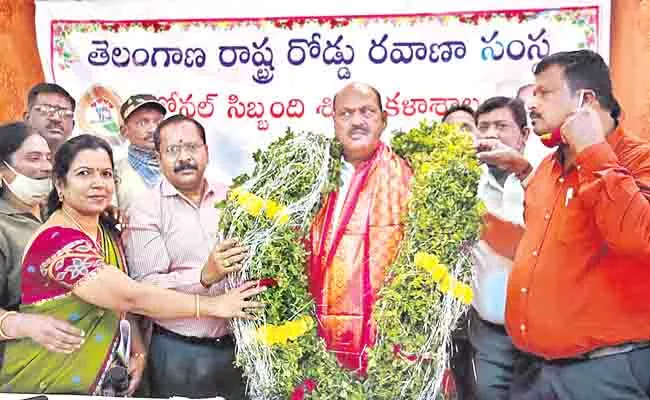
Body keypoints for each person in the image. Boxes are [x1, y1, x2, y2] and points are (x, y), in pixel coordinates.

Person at [0, 134, 264, 396]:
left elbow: (120, 308)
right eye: (84, 173)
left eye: (105, 174)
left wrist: (137, 349)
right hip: (46, 382)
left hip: (103, 384)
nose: (98, 183)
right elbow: (129, 296)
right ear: (60, 184)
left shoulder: (105, 231)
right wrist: (214, 305)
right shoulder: (56, 240)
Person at [506, 49, 650, 398]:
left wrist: (593, 151)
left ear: (585, 100)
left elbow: (638, 238)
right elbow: (539, 248)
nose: (532, 102)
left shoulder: (639, 159)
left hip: (605, 373)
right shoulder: (547, 167)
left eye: (544, 92)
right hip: (534, 371)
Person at [124, 114, 250, 399]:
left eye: (192, 147)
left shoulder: (236, 197)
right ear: (158, 157)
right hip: (180, 351)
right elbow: (145, 290)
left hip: (242, 349)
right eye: (172, 150)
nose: (184, 158)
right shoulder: (146, 209)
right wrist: (204, 276)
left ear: (206, 151)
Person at [308, 82, 413, 373]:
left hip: (386, 339)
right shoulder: (310, 178)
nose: (356, 121)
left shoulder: (407, 177)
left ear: (384, 119)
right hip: (315, 336)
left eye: (367, 111)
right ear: (334, 121)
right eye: (346, 114)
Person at [453, 97, 532, 399]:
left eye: (502, 126)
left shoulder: (541, 180)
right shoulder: (464, 185)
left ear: (523, 135)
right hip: (489, 331)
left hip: (539, 335)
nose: (491, 134)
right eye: (483, 127)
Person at [0, 122, 85, 354]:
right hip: (22, 360)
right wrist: (20, 324)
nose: (46, 167)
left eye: (48, 158)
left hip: (79, 350)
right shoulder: (3, 226)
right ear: (2, 169)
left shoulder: (62, 212)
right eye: (33, 158)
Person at [115, 94, 166, 210]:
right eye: (143, 123)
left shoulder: (177, 167)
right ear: (124, 131)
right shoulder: (115, 171)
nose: (153, 129)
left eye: (158, 122)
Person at [23, 83, 76, 153]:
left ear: (72, 125)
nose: (56, 119)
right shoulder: (9, 161)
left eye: (64, 113)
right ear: (27, 119)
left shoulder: (85, 162)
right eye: (46, 110)